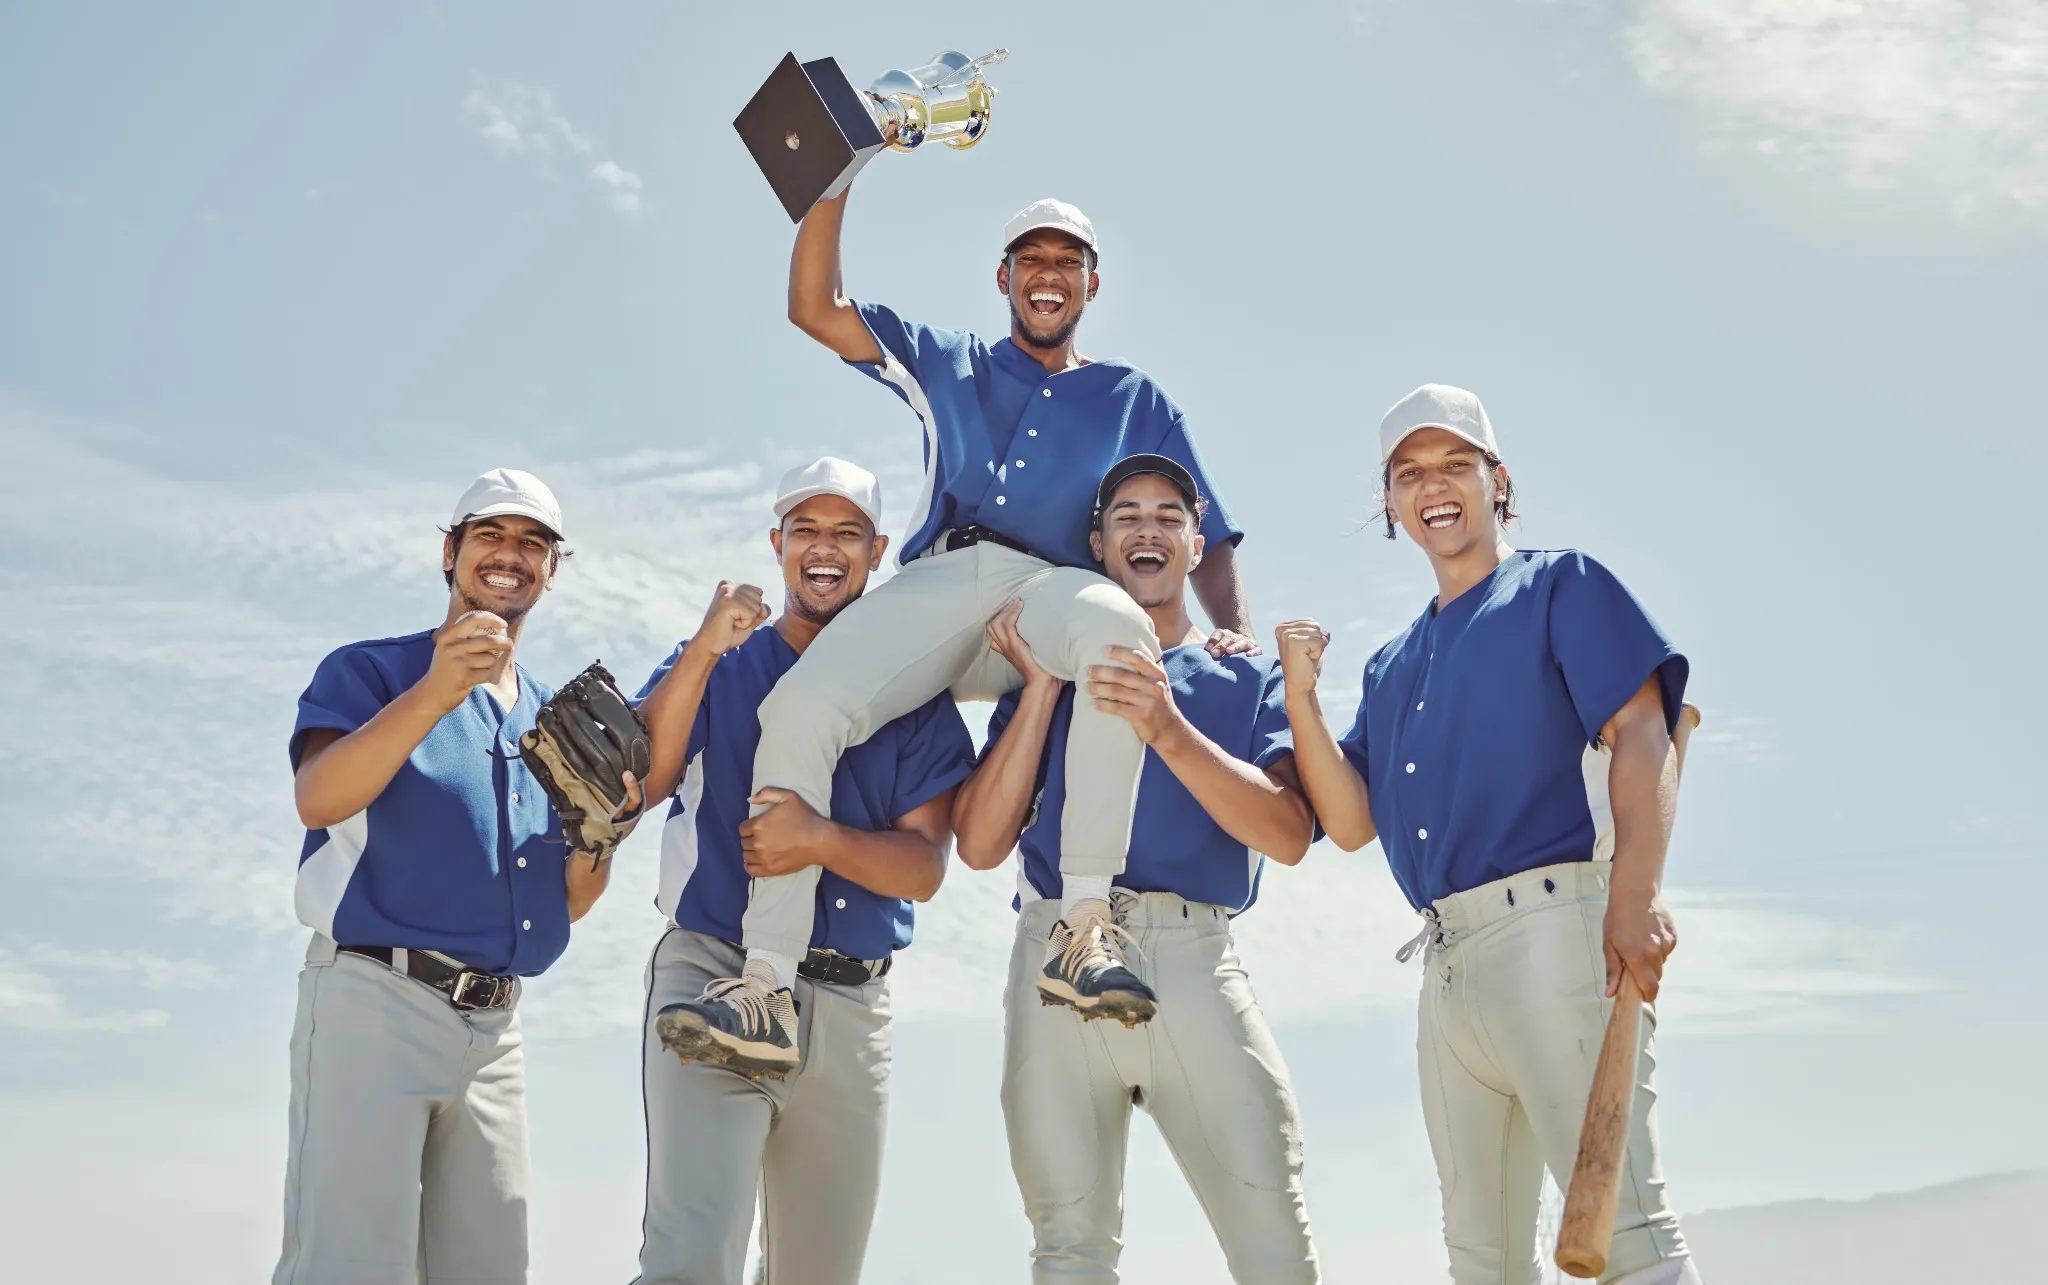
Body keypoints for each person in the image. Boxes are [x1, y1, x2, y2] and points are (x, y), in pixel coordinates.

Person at [659, 187, 1255, 1059]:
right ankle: (767, 985)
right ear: (1004, 276)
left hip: (1044, 593)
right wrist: (838, 178)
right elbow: (813, 309)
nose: (1048, 276)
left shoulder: (1133, 395)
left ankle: (1084, 928)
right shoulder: (951, 360)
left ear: (1093, 282)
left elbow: (1212, 528)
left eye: (1067, 263)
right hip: (937, 585)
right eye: (1032, 261)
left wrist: (1228, 628)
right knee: (795, 706)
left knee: (1119, 627)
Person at [1275, 385, 1704, 1285]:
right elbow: (1349, 821)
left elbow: (1645, 733)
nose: (1433, 486)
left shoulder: (1560, 585)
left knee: (1629, 1244)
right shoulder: (1392, 665)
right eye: (1409, 474)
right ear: (1391, 503)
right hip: (1446, 969)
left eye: (1454, 465)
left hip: (1558, 938)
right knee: (1482, 1263)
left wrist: (1635, 897)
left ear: (1497, 480)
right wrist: (1302, 696)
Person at [955, 454, 1321, 1283]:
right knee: (1067, 1247)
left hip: (1191, 957)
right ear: (1098, 544)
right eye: (1126, 514)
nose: (1147, 528)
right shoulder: (1044, 670)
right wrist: (1044, 686)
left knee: (1271, 1231)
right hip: (1053, 957)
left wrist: (1164, 725)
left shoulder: (1243, 673)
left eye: (1168, 514)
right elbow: (978, 844)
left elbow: (1290, 832)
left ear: (1196, 545)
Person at [275, 468, 634, 1285]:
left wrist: (604, 835)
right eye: (490, 535)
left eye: (533, 543)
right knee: (351, 1266)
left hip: (495, 1030)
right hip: (374, 1000)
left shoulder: (559, 718)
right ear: (450, 552)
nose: (510, 555)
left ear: (552, 569)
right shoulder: (370, 670)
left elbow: (568, 901)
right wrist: (438, 691)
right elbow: (317, 798)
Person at [630, 457, 976, 1284]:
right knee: (690, 1265)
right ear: (777, 543)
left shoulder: (917, 695)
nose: (825, 550)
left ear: (878, 548)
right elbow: (644, 780)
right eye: (807, 531)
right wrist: (704, 651)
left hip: (853, 1007)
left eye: (846, 533)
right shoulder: (719, 660)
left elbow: (925, 867)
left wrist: (818, 839)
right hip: (716, 975)